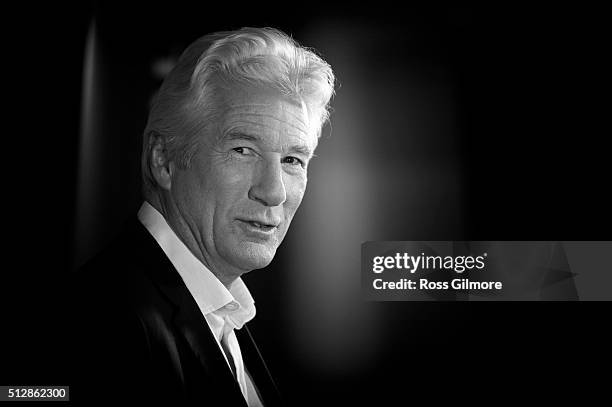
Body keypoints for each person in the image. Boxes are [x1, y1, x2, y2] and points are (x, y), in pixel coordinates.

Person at [68, 27, 335, 405]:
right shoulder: (101, 324)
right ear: (163, 160)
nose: (274, 191)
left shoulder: (222, 315)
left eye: (292, 160)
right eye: (243, 150)